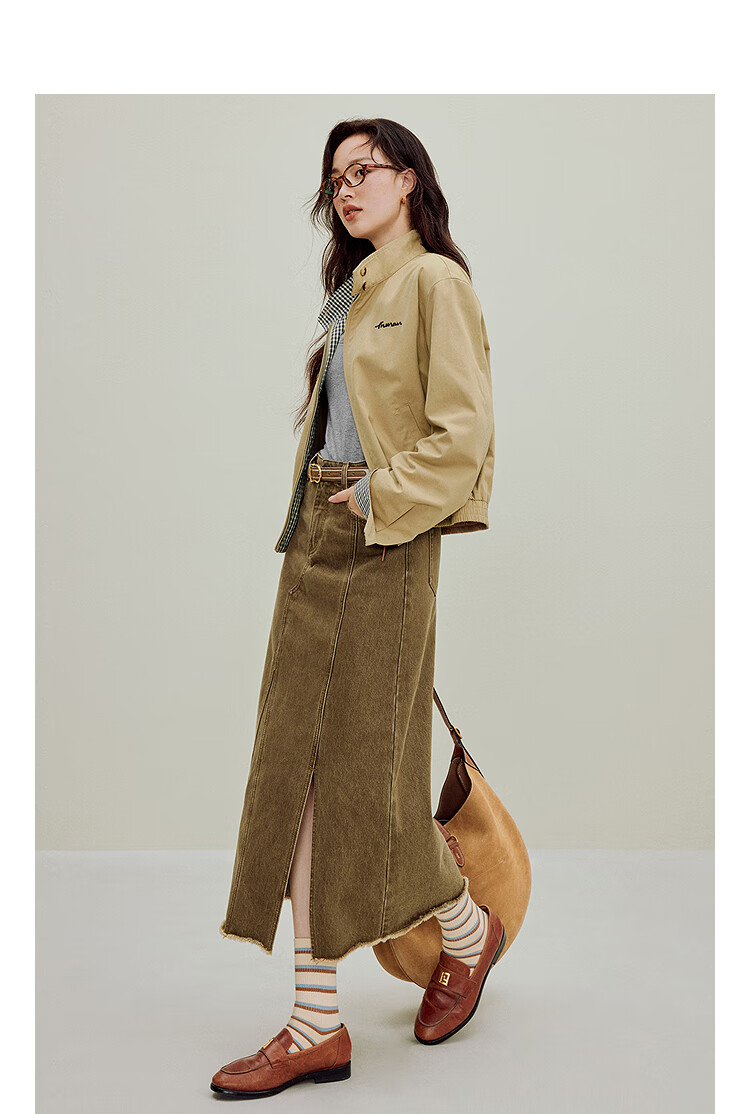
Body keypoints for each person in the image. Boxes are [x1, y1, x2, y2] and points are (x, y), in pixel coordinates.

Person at [211, 117, 503, 1100]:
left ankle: (320, 1020)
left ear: (411, 179)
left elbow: (462, 434)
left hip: (385, 539)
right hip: (320, 534)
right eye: (334, 176)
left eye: (364, 168)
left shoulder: (435, 283)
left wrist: (377, 496)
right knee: (297, 771)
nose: (345, 186)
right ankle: (452, 941)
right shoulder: (355, 290)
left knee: (355, 784)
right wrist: (327, 507)